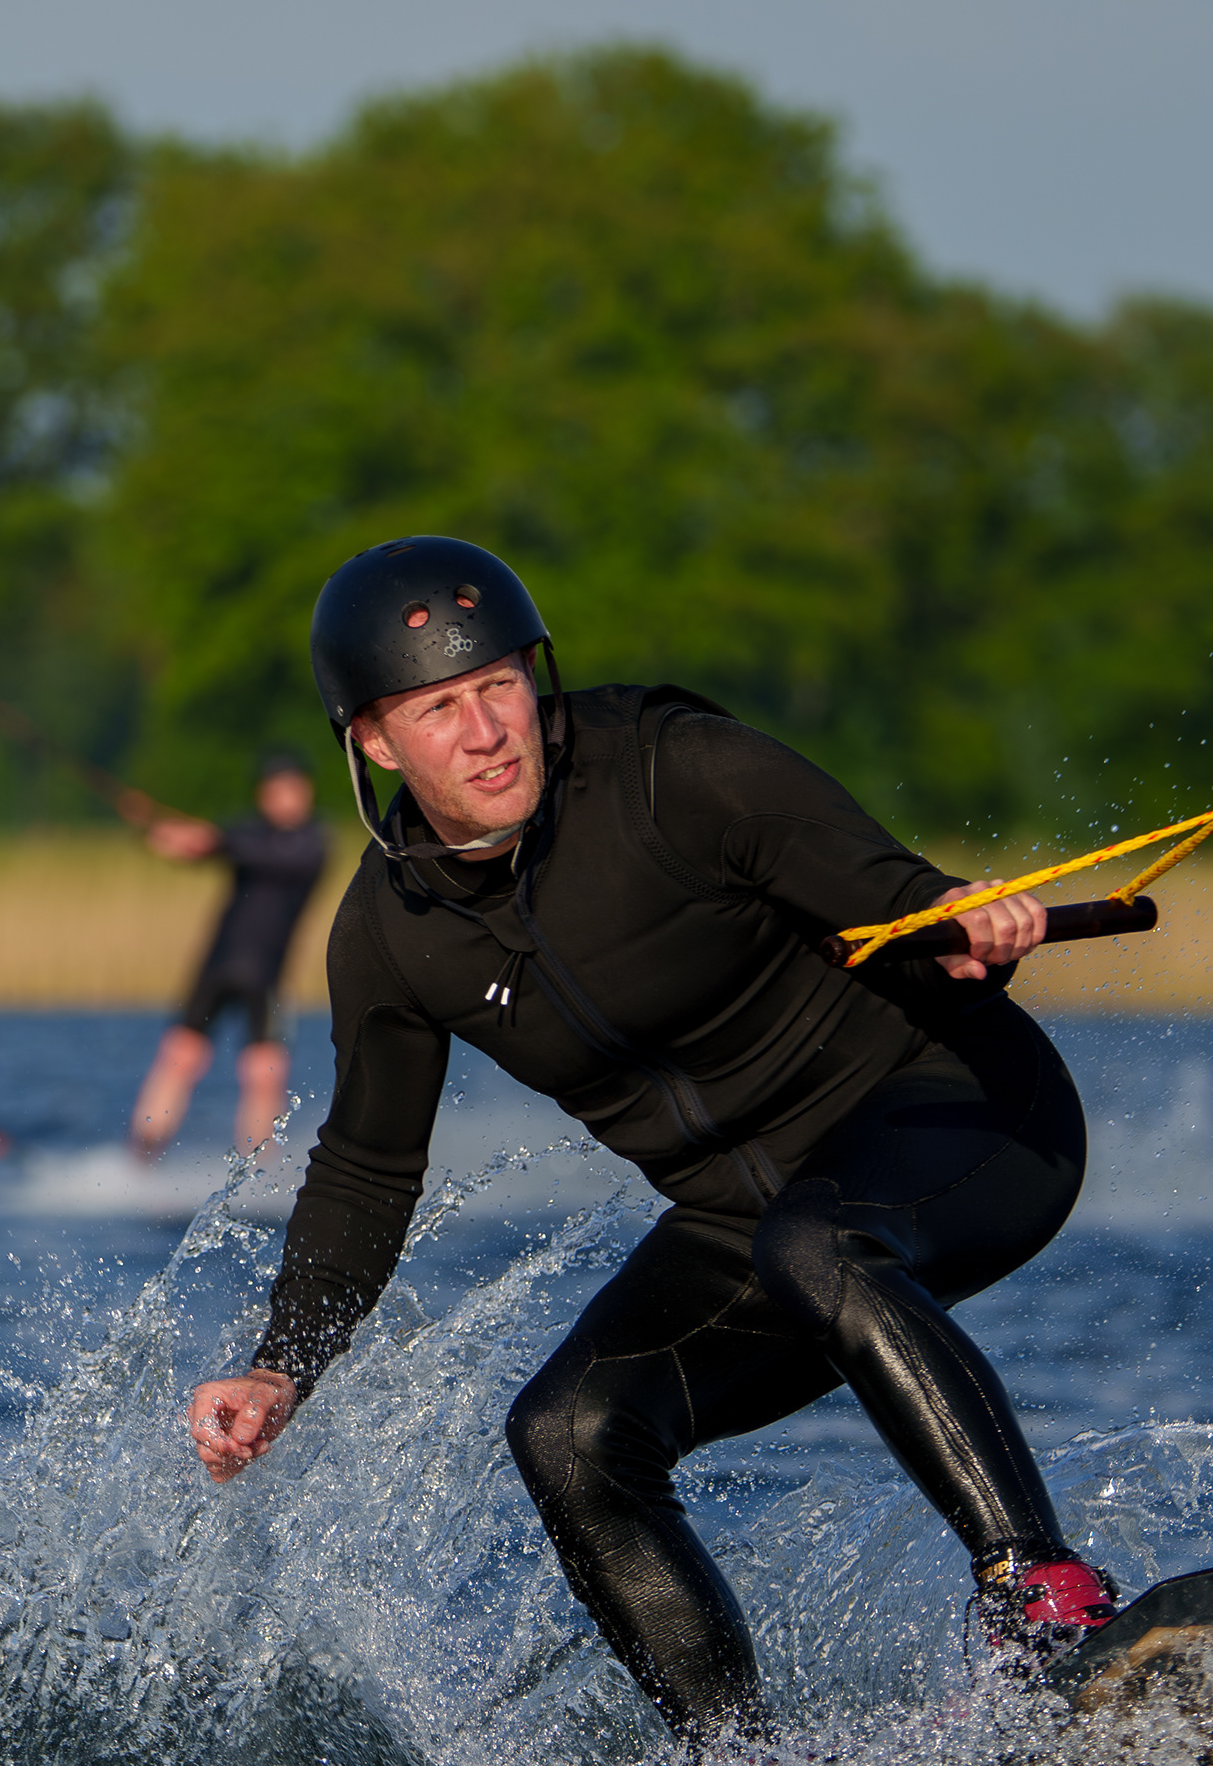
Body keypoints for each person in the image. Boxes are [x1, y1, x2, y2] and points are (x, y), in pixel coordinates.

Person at [183, 538, 1115, 1746]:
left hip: (960, 1113)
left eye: (500, 685)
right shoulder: (391, 934)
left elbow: (894, 893)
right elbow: (366, 1166)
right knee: (568, 1435)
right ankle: (737, 1750)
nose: (487, 731)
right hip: (751, 1219)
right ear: (374, 741)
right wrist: (282, 1365)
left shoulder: (679, 768)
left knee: (819, 1242)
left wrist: (961, 923)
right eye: (439, 709)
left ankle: (1042, 1596)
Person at [127, 751, 329, 1161]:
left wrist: (211, 840)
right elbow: (201, 848)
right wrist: (156, 828)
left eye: (293, 789)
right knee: (180, 1056)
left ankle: (258, 1167)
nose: (286, 798)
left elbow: (250, 851)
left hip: (268, 975)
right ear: (263, 795)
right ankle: (141, 1157)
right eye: (277, 790)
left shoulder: (311, 844)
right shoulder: (245, 833)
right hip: (219, 966)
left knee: (263, 1072)